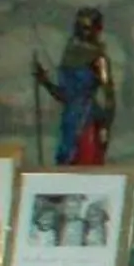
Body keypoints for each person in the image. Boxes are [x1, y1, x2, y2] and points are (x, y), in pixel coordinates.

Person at [32, 9, 116, 166]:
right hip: (69, 121)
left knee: (87, 164)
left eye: (86, 27)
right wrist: (45, 82)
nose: (81, 32)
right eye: (78, 27)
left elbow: (109, 97)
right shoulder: (69, 54)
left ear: (97, 29)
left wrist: (105, 127)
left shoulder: (99, 59)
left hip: (88, 120)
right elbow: (65, 96)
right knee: (66, 163)